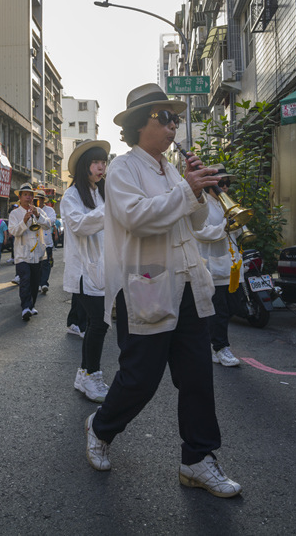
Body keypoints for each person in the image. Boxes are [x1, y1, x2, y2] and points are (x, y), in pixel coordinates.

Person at [83, 83, 241, 498]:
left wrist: (202, 190)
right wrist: (187, 190)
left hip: (187, 282)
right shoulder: (122, 169)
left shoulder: (170, 169)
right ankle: (100, 427)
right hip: (146, 287)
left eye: (175, 119)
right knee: (140, 380)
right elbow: (138, 218)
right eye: (165, 118)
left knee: (197, 377)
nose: (173, 126)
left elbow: (190, 220)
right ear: (140, 124)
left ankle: (197, 459)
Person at [60, 139, 110, 402]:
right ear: (84, 166)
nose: (101, 167)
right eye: (96, 162)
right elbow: (79, 225)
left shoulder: (99, 193)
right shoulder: (72, 195)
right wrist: (109, 210)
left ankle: (85, 374)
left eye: (104, 162)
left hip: (101, 268)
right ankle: (91, 375)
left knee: (98, 323)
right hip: (83, 271)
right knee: (98, 323)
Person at [193, 164, 242, 368]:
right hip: (212, 265)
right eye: (220, 184)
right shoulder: (202, 204)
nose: (225, 188)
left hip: (232, 265)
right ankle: (220, 348)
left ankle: (212, 343)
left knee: (233, 307)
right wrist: (226, 227)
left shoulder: (227, 203)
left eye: (226, 183)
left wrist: (238, 224)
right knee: (219, 310)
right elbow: (200, 233)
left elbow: (239, 231)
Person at [10, 183, 49, 321]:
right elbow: (13, 231)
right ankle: (25, 307)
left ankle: (31, 305)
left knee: (34, 282)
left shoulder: (38, 211)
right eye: (25, 195)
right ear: (20, 197)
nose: (28, 197)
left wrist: (38, 216)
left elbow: (48, 225)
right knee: (25, 279)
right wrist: (24, 221)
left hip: (37, 253)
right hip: (22, 253)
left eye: (30, 195)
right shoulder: (14, 213)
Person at [38, 191, 57, 295]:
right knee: (37, 264)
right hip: (35, 243)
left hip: (46, 242)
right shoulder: (31, 209)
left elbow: (51, 221)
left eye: (40, 199)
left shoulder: (49, 210)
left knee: (45, 263)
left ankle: (44, 283)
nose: (38, 201)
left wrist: (39, 217)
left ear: (43, 200)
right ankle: (38, 283)